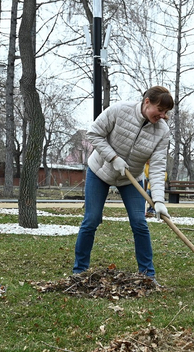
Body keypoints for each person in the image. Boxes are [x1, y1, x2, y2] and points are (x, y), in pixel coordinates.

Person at [73, 86, 174, 281]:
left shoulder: (162, 131)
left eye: (165, 112)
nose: (162, 115)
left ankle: (147, 274)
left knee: (139, 223)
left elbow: (157, 166)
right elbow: (94, 133)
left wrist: (159, 200)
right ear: (147, 102)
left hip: (132, 178)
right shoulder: (120, 110)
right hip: (100, 170)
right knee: (91, 220)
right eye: (159, 110)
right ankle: (79, 271)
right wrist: (113, 157)